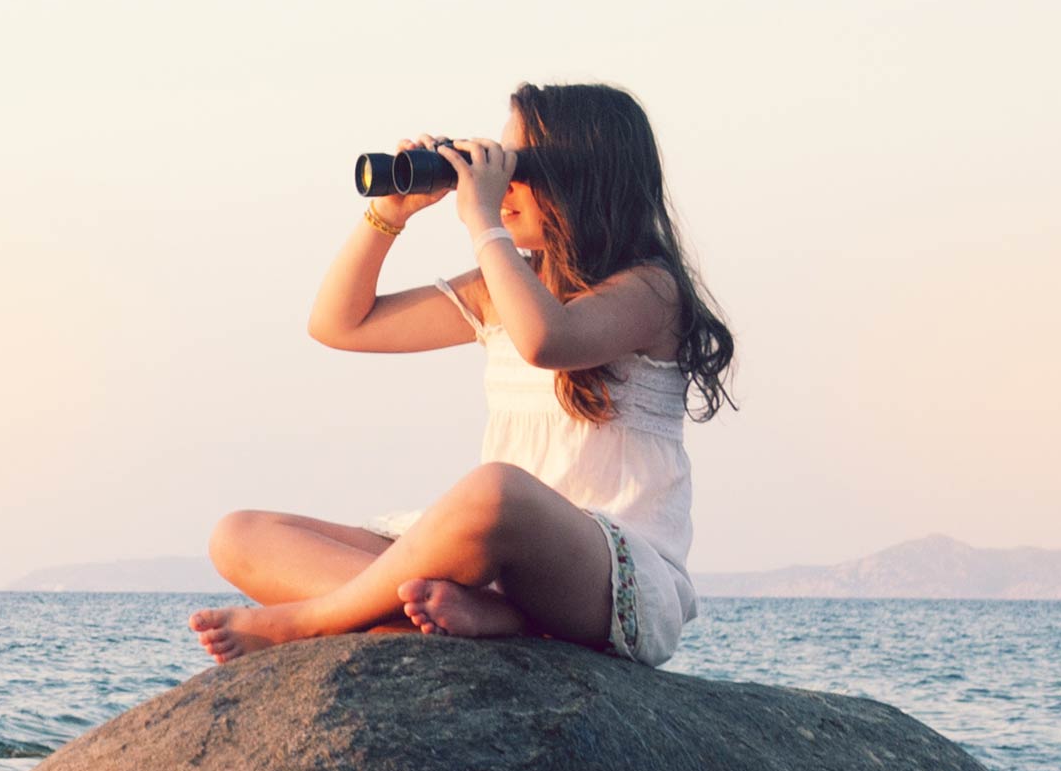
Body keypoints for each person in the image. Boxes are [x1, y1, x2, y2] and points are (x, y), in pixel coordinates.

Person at [191, 82, 736, 667]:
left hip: (604, 572)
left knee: (496, 490)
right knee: (239, 535)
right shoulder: (499, 292)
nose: (498, 184)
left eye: (516, 167)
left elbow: (546, 341)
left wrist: (481, 221)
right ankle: (461, 618)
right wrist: (388, 214)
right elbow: (338, 324)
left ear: (582, 178)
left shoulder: (650, 290)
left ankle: (311, 621)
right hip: (491, 565)